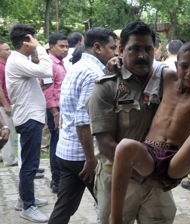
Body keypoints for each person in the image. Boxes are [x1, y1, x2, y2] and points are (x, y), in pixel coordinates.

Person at [110, 40, 190, 224]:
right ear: (176, 65)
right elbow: (138, 63)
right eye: (184, 66)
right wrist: (116, 61)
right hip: (149, 155)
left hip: (175, 162)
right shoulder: (167, 77)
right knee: (125, 146)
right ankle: (116, 218)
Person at [86, 21, 177, 224]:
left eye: (147, 49)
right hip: (118, 179)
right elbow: (105, 144)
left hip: (155, 182)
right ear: (120, 49)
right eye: (135, 49)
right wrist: (147, 174)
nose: (142, 55)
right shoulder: (106, 87)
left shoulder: (165, 82)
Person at [48, 27, 118, 224]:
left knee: (63, 208)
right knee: (112, 209)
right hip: (83, 157)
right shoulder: (92, 74)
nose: (115, 53)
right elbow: (83, 121)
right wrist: (90, 160)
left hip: (67, 152)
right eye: (112, 48)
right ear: (97, 47)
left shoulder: (79, 67)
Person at [6, 24, 53, 223]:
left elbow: (40, 78)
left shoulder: (20, 60)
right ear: (27, 41)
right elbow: (46, 68)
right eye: (33, 39)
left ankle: (23, 199)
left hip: (30, 117)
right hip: (29, 119)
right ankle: (28, 206)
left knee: (29, 163)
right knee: (30, 165)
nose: (36, 43)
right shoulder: (16, 60)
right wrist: (40, 48)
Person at [45, 33, 68, 194]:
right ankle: (56, 180)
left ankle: (59, 177)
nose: (65, 49)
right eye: (62, 46)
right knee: (56, 143)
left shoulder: (60, 63)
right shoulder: (49, 64)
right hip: (55, 110)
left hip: (61, 109)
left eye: (67, 46)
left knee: (59, 142)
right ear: (51, 46)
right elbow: (48, 91)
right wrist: (54, 113)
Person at [0, 40, 17, 166]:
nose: (9, 51)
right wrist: (6, 105)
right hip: (4, 104)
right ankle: (9, 159)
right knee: (8, 132)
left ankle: (3, 156)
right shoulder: (0, 66)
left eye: (9, 48)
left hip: (7, 102)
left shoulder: (5, 65)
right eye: (6, 49)